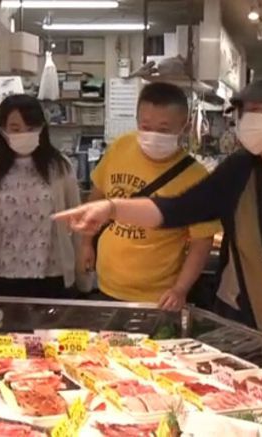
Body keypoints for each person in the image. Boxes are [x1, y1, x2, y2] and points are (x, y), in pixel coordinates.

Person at [55, 74, 262, 371]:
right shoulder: (240, 169)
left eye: (260, 111)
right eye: (245, 112)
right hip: (249, 320)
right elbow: (177, 209)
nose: (248, 120)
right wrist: (111, 208)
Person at [79, 82, 219, 310]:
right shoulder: (121, 147)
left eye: (164, 130)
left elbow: (202, 242)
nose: (153, 135)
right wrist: (86, 244)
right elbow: (97, 198)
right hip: (105, 285)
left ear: (183, 128)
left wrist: (180, 289)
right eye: (145, 126)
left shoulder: (197, 178)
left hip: (158, 297)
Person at [0, 94, 82, 298]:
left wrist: (83, 277)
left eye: (31, 129)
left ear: (42, 128)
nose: (23, 134)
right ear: (2, 130)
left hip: (53, 276)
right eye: (15, 129)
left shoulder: (59, 166)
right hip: (4, 277)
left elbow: (77, 222)